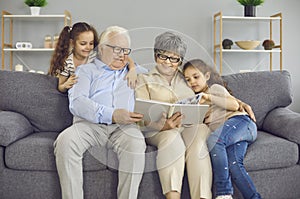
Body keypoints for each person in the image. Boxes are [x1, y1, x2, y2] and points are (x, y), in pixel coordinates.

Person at [53, 26, 147, 199]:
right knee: (66, 141)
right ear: (102, 49)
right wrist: (112, 114)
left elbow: (158, 88)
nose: (122, 55)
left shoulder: (137, 72)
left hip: (123, 129)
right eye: (117, 49)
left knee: (136, 142)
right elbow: (78, 103)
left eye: (126, 50)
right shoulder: (85, 70)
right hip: (89, 127)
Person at [135, 32, 212, 199]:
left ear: (180, 61)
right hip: (159, 130)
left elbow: (205, 95)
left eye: (174, 58)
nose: (168, 62)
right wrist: (162, 125)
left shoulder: (188, 78)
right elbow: (139, 117)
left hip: (190, 126)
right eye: (163, 56)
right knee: (171, 139)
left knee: (197, 139)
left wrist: (206, 111)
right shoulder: (143, 79)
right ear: (156, 56)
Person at [182, 59, 261, 199]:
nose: (192, 82)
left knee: (214, 140)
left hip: (241, 123)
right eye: (188, 79)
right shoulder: (197, 101)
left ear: (206, 76)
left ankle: (224, 193)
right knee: (234, 164)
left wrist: (208, 97)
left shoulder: (214, 89)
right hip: (231, 135)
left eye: (196, 77)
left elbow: (234, 105)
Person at [48, 22, 137, 93]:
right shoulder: (67, 63)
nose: (88, 47)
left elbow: (123, 56)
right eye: (83, 44)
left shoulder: (94, 54)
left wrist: (132, 69)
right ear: (72, 43)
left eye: (91, 43)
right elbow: (60, 86)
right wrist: (66, 85)